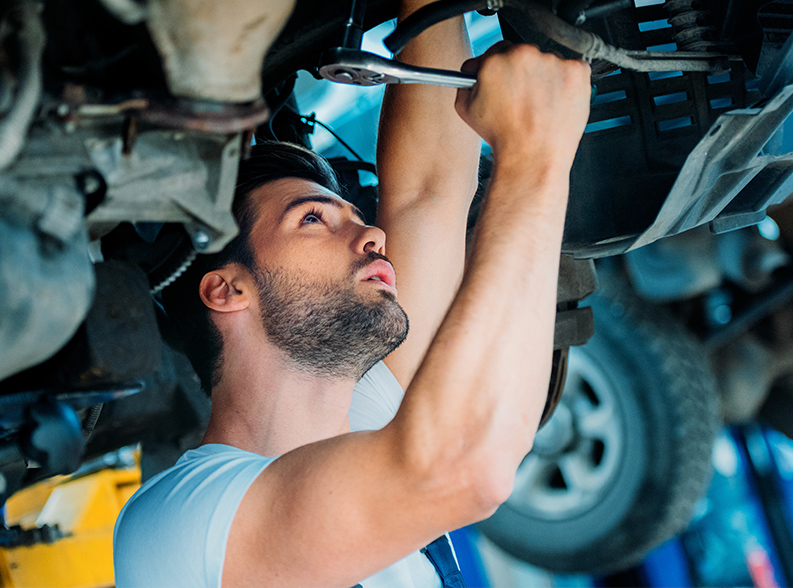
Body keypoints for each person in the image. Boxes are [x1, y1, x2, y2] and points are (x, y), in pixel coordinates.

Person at [112, 1, 592, 586]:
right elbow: (462, 466)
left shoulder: (361, 429)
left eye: (315, 218)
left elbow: (429, 191)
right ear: (227, 289)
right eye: (316, 219)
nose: (371, 235)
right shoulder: (183, 525)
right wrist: (537, 158)